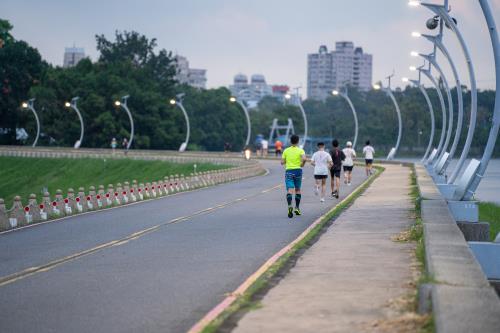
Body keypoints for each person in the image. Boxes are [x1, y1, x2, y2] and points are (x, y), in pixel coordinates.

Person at [281, 134, 307, 218]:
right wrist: (302, 164)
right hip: (298, 171)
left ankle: (289, 206)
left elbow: (282, 162)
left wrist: (286, 161)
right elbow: (304, 159)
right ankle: (297, 207)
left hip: (289, 171)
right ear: (298, 141)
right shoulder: (301, 150)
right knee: (298, 189)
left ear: (290, 141)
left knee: (290, 190)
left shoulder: (286, 151)